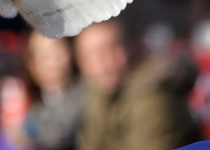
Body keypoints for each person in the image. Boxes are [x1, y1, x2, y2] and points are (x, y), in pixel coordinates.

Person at [75, 20, 204, 150]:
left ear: (131, 47)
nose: (105, 63)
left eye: (114, 49)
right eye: (93, 55)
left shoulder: (153, 95)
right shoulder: (97, 94)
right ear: (80, 61)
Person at [21, 32, 85, 150]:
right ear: (32, 65)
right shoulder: (34, 108)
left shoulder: (85, 94)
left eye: (58, 50)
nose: (54, 61)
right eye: (45, 56)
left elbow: (58, 136)